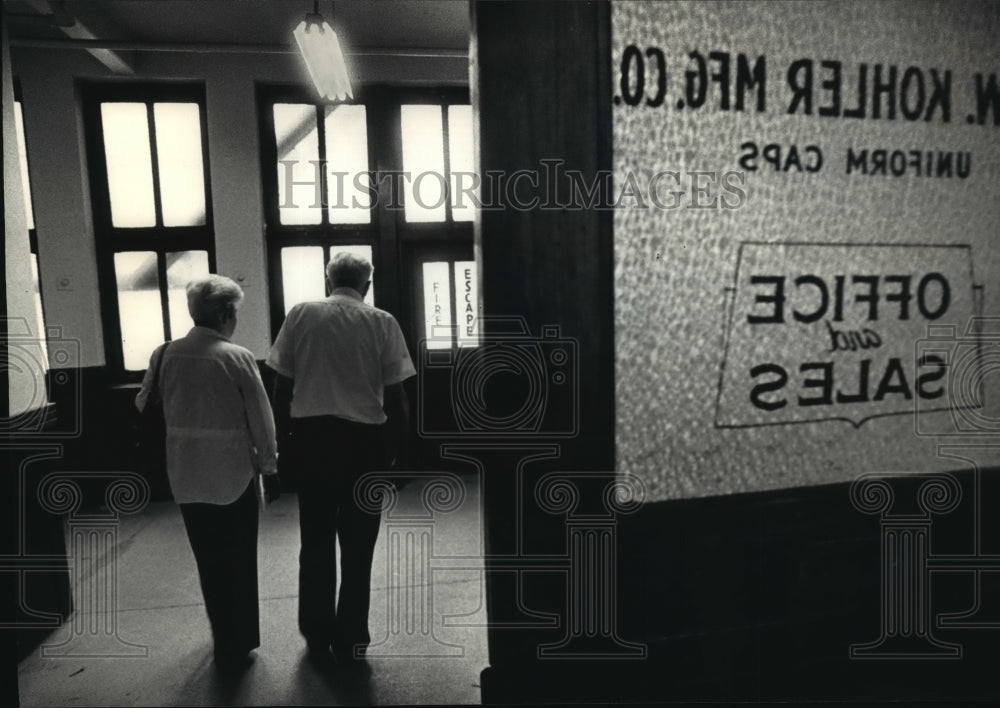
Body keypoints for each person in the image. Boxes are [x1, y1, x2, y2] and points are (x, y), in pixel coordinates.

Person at [266, 252, 414, 664]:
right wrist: (399, 456)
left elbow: (281, 387)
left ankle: (316, 629)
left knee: (314, 539)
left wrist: (284, 444)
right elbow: (398, 397)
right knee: (358, 543)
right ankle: (352, 635)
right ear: (366, 284)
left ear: (327, 280)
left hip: (312, 441)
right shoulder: (382, 322)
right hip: (365, 445)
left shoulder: (300, 315)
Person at [136, 274, 279, 672]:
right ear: (224, 313)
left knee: (208, 558)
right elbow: (261, 419)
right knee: (238, 558)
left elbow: (143, 402)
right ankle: (241, 639)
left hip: (185, 472)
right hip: (233, 474)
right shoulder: (236, 357)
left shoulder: (164, 354)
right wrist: (269, 466)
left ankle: (221, 637)